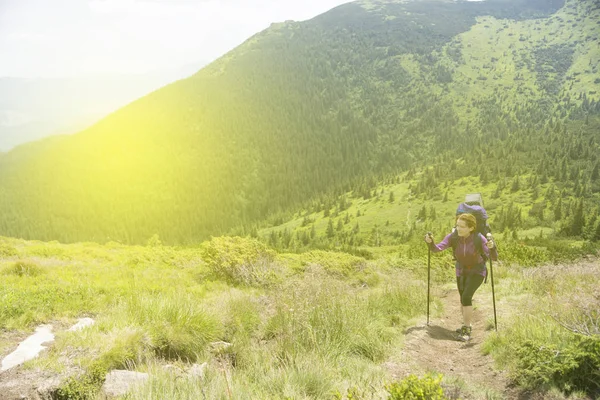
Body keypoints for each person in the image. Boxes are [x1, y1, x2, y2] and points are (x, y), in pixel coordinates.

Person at [424, 213, 498, 341]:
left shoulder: (479, 239)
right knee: (463, 299)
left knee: (466, 296)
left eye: (462, 226)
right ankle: (465, 324)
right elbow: (437, 249)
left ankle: (467, 329)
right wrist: (430, 243)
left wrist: (492, 248)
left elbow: (494, 258)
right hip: (461, 271)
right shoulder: (453, 237)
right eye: (457, 225)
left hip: (477, 271)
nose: (458, 229)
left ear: (471, 228)